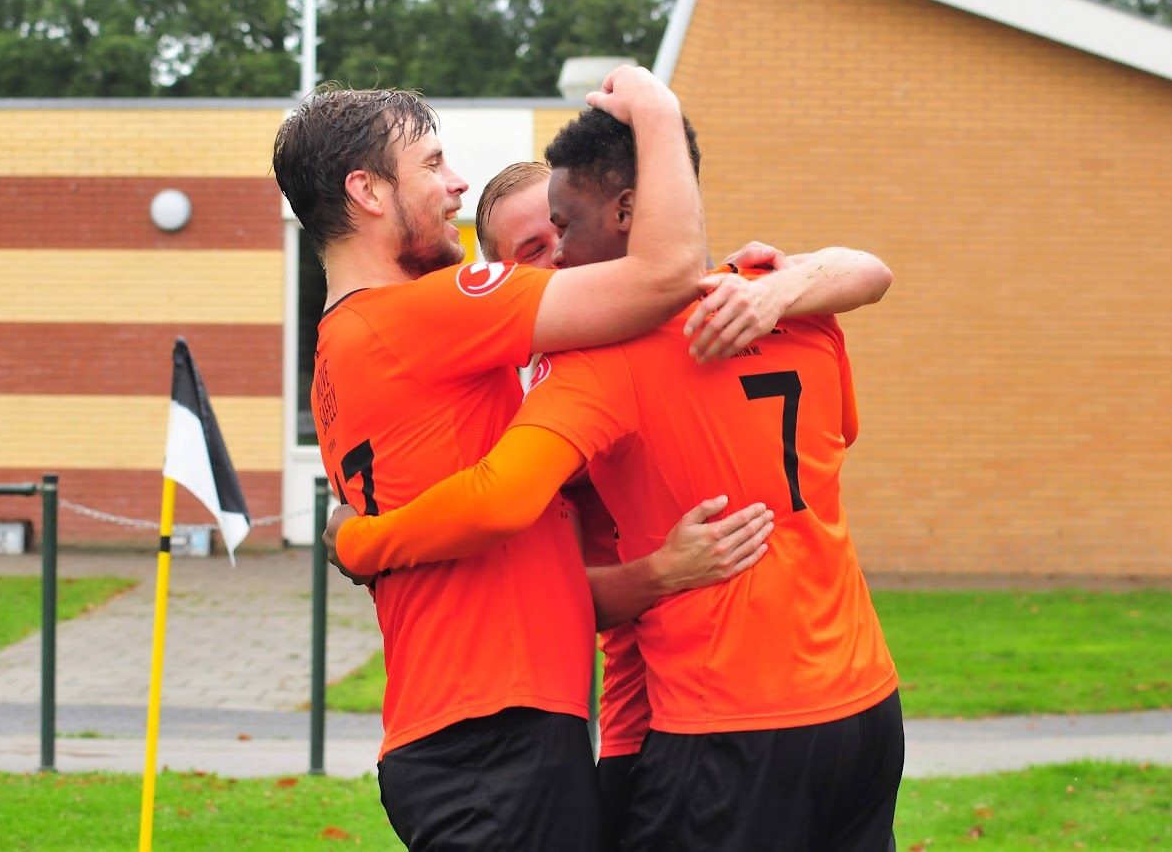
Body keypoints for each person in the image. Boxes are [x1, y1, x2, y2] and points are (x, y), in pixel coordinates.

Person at [330, 108, 901, 850]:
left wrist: (360, 541)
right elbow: (865, 282)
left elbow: (501, 501)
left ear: (631, 211)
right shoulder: (771, 299)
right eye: (533, 249)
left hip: (714, 717)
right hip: (849, 703)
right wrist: (783, 287)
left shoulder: (595, 371)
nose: (559, 257)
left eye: (563, 229)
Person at [273, 67, 771, 851]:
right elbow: (668, 272)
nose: (455, 184)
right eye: (432, 164)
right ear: (367, 192)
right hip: (489, 738)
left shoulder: (339, 348)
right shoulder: (418, 312)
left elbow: (522, 561)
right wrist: (657, 110)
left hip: (473, 732)